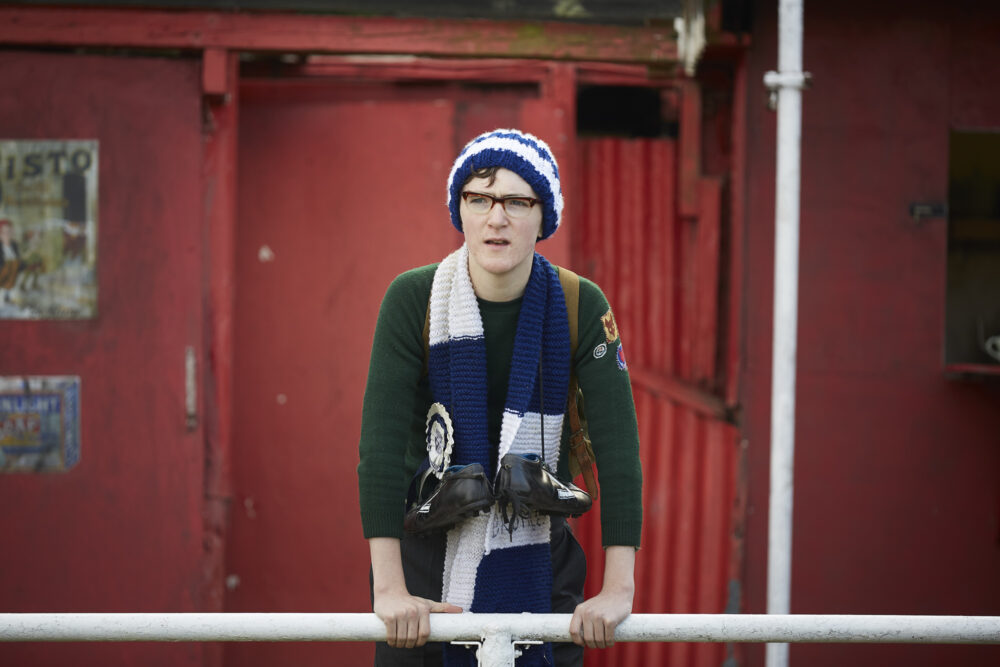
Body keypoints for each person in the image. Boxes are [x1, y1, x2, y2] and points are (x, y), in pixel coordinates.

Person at [358, 129, 642, 667]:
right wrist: (390, 590)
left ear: (543, 216)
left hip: (543, 556)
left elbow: (619, 451)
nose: (496, 218)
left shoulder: (581, 304)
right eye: (479, 199)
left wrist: (617, 589)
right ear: (459, 210)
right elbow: (380, 450)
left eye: (517, 201)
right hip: (423, 564)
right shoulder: (412, 298)